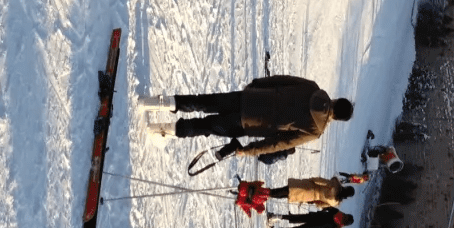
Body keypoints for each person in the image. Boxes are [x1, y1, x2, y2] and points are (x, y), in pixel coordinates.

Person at [140, 78, 354, 157]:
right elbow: (279, 143)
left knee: (203, 101)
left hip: (249, 98)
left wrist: (257, 85)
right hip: (249, 124)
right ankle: (161, 129)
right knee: (205, 126)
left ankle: (156, 102)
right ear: (336, 119)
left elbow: (281, 80)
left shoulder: (313, 88)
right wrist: (250, 150)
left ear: (336, 99)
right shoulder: (315, 130)